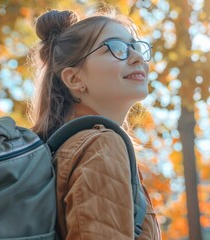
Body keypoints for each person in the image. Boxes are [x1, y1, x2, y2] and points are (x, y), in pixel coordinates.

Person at [28, 8, 162, 240]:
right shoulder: (101, 145)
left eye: (136, 47)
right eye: (117, 48)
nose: (138, 57)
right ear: (74, 79)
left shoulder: (66, 149)